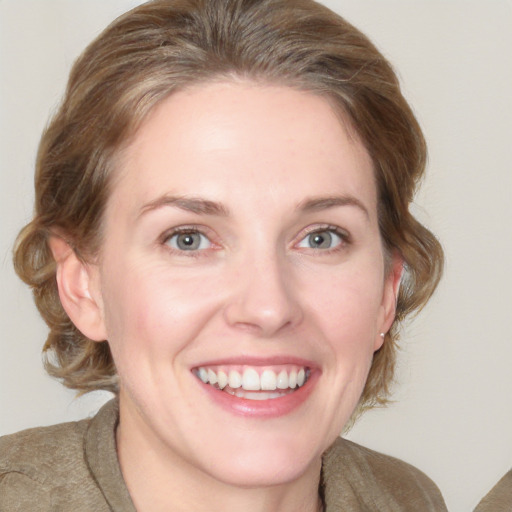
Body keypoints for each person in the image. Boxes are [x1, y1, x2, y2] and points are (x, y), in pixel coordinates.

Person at [0, 0, 446, 510]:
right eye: (188, 238)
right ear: (83, 284)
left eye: (321, 237)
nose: (268, 307)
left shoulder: (408, 499)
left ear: (388, 290)